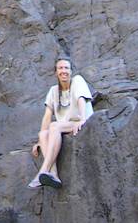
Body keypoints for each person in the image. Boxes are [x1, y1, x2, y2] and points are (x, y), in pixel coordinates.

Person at [28, 57, 94, 189]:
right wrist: (40, 141)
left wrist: (82, 119)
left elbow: (81, 99)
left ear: (71, 71)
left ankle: (43, 171)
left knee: (54, 126)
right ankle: (54, 175)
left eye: (66, 68)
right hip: (64, 126)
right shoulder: (53, 91)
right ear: (55, 72)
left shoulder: (77, 80)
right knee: (43, 134)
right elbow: (47, 115)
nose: (63, 71)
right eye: (60, 68)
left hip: (83, 121)